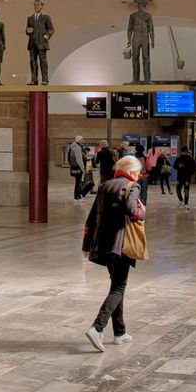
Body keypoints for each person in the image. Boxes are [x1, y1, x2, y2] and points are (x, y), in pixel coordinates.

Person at [82, 155, 146, 350]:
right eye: (138, 172)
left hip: (103, 243)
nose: (139, 175)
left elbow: (92, 216)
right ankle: (97, 328)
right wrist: (142, 212)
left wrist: (86, 244)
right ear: (131, 171)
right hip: (122, 243)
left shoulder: (104, 185)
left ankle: (120, 332)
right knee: (118, 287)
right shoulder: (132, 186)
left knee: (116, 285)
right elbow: (131, 209)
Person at [25, 0, 54, 84]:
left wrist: (46, 36)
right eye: (35, 5)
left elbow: (51, 29)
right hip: (32, 43)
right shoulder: (30, 18)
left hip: (42, 42)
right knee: (33, 61)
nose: (36, 6)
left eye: (38, 5)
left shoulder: (46, 17)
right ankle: (34, 79)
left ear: (42, 6)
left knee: (43, 61)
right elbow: (27, 30)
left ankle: (45, 79)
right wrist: (27, 31)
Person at [67, 135, 87, 201]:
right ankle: (77, 195)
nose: (83, 141)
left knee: (78, 181)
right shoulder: (77, 148)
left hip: (73, 167)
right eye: (82, 140)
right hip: (77, 168)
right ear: (79, 140)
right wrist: (83, 169)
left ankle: (79, 194)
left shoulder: (72, 146)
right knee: (78, 182)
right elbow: (79, 160)